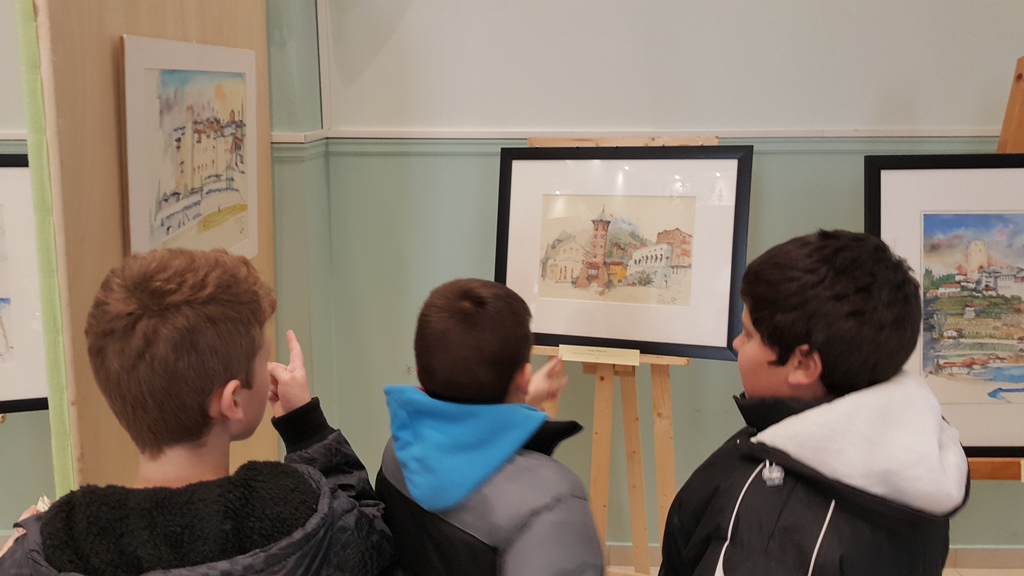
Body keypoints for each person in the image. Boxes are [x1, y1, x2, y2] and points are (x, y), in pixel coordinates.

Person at [0, 248, 394, 576]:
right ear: (233, 401)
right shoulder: (306, 513)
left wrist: (17, 555)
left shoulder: (54, 547)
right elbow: (374, 539)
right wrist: (306, 427)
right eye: (262, 360)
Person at [659, 229, 970, 576]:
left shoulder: (769, 536)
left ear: (803, 364)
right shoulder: (916, 457)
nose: (736, 343)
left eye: (748, 334)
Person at [375, 278, 604, 576]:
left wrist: (519, 399)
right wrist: (516, 395)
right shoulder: (553, 504)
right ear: (524, 377)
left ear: (420, 372)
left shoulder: (400, 448)